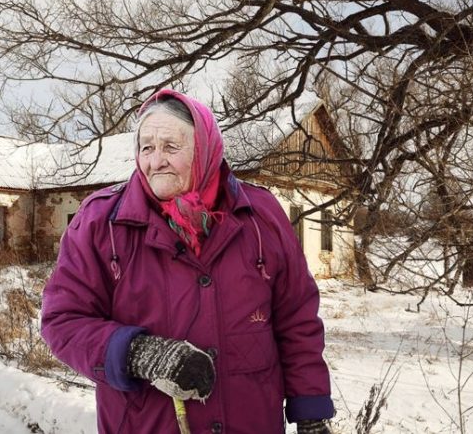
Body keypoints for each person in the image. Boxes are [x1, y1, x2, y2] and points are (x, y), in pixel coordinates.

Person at [41, 89, 335, 433]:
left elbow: (295, 317)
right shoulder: (101, 222)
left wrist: (311, 411)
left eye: (171, 146)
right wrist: (139, 353)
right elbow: (63, 321)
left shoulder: (260, 215)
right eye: (146, 147)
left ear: (204, 149)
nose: (156, 160)